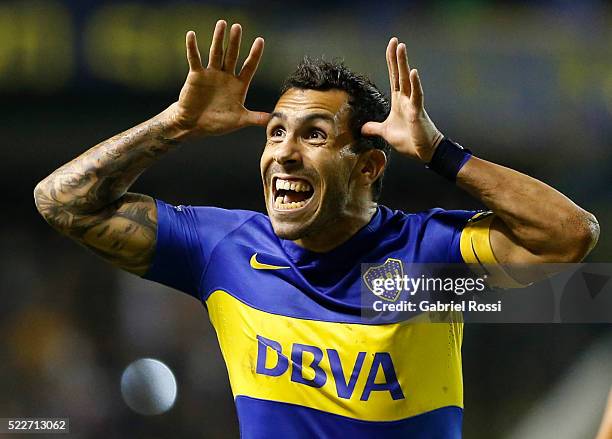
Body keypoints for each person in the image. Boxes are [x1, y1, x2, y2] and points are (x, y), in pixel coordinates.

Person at [34, 20, 599, 438]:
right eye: (275, 133)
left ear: (369, 166)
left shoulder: (428, 257)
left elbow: (571, 236)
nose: (285, 153)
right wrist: (175, 124)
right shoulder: (224, 250)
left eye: (314, 135)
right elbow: (63, 204)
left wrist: (441, 153)